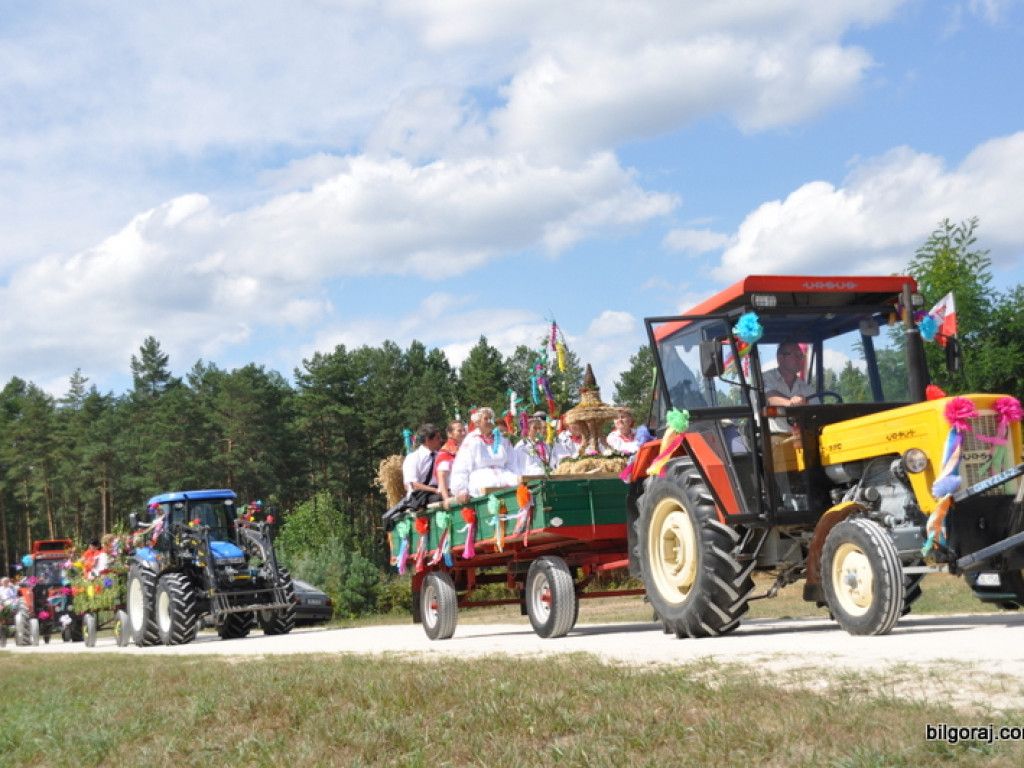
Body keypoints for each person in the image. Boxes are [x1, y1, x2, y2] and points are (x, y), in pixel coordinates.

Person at [451, 407, 519, 503]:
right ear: (477, 423)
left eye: (491, 418)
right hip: (482, 478)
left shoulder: (502, 438)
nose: (489, 421)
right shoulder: (472, 440)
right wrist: (461, 490)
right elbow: (462, 466)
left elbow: (512, 462)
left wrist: (516, 477)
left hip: (505, 476)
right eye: (486, 418)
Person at [763, 342, 814, 435]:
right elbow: (770, 396)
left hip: (801, 437)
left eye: (801, 355)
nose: (800, 359)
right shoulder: (764, 378)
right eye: (795, 354)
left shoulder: (806, 388)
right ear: (780, 358)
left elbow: (816, 412)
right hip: (771, 437)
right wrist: (791, 402)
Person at [402, 423, 443, 503]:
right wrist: (434, 490)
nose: (440, 440)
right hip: (419, 497)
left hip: (437, 492)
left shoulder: (439, 456)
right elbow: (412, 485)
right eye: (437, 438)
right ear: (428, 440)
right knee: (439, 498)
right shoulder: (413, 458)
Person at [435, 419, 467, 508]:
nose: (463, 433)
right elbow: (442, 476)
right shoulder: (446, 452)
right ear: (450, 434)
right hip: (453, 493)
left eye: (464, 430)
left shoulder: (466, 448)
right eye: (459, 431)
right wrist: (446, 499)